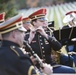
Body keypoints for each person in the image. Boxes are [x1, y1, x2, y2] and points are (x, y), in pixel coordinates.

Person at [24, 8, 76, 73]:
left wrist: (46, 35)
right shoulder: (26, 35)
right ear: (34, 23)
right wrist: (30, 39)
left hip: (51, 66)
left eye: (45, 21)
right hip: (36, 69)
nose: (45, 23)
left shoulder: (48, 33)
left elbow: (58, 47)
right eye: (41, 21)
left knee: (71, 71)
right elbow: (23, 51)